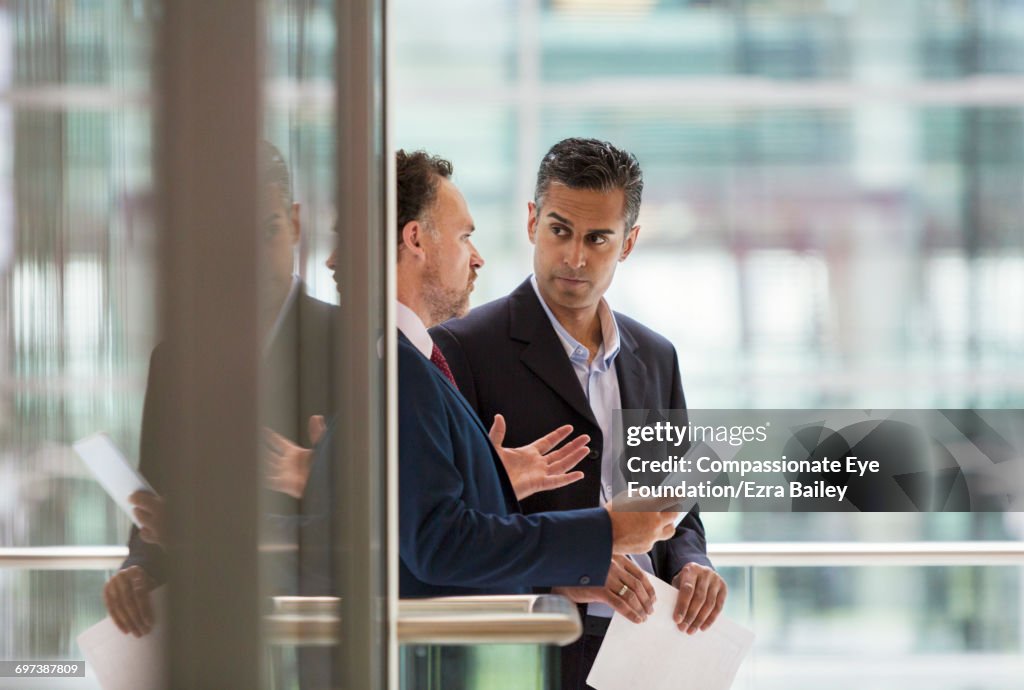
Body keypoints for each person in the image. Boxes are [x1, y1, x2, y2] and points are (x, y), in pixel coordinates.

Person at [310, 149, 681, 599]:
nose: (478, 257)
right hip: (482, 647)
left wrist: (496, 481)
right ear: (415, 240)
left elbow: (427, 528)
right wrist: (602, 534)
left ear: (627, 242)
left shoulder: (400, 360)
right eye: (465, 236)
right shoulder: (406, 367)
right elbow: (439, 545)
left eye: (598, 239)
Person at [431, 137, 728, 689]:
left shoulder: (656, 356)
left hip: (656, 646)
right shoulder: (459, 350)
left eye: (597, 239)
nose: (574, 257)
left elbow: (679, 505)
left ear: (630, 242)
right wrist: (564, 568)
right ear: (531, 222)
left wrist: (694, 563)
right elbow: (453, 531)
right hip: (534, 648)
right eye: (559, 230)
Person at [102, 141, 335, 637]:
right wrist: (137, 570)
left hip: (314, 630)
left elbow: (367, 526)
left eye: (267, 230)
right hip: (206, 634)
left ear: (294, 223)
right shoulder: (175, 360)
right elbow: (154, 507)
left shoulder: (352, 346)